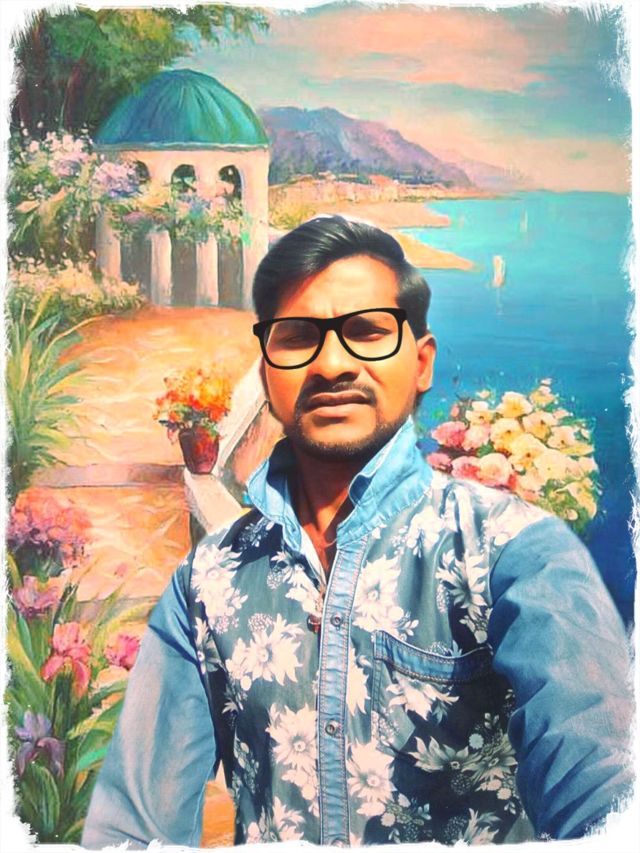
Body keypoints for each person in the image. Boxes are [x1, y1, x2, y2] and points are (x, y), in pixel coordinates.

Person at [82, 215, 633, 848]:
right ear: (266, 371)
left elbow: (603, 791)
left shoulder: (512, 552)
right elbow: (129, 829)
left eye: (367, 332)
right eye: (297, 338)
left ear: (421, 363)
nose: (332, 363)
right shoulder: (207, 581)